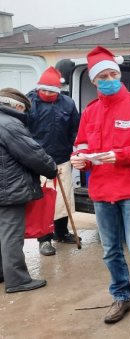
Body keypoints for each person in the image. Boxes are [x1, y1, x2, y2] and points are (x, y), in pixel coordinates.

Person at [70, 46, 130, 324]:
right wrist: (80, 159)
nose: (109, 79)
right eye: (103, 77)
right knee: (110, 250)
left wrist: (120, 156)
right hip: (102, 191)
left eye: (113, 74)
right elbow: (82, 145)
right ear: (94, 81)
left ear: (120, 75)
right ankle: (121, 296)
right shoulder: (90, 111)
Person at [0, 88, 58, 293]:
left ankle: (2, 273)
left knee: (1, 233)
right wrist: (51, 169)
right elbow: (32, 154)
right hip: (9, 189)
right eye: (24, 109)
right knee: (11, 235)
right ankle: (17, 280)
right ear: (16, 106)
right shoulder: (10, 124)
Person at [26, 66, 81, 256]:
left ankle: (61, 232)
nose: (48, 93)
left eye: (52, 91)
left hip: (63, 158)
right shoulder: (29, 102)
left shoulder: (68, 103)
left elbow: (76, 128)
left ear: (59, 91)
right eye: (44, 90)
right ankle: (44, 239)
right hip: (38, 160)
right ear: (38, 88)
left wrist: (77, 149)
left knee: (63, 199)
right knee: (45, 201)